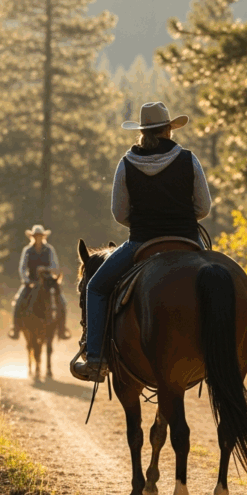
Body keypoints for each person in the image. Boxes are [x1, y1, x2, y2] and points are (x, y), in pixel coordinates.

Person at [72, 101, 212, 381]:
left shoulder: (126, 164)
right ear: (168, 131)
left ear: (142, 132)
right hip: (187, 239)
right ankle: (222, 354)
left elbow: (119, 214)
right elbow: (203, 208)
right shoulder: (189, 159)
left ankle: (97, 358)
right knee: (218, 279)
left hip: (142, 243)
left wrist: (144, 223)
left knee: (97, 287)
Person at [9, 224, 71, 340]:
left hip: (48, 282)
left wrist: (45, 269)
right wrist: (27, 281)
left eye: (40, 236)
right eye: (36, 236)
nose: (38, 238)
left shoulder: (49, 249)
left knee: (62, 302)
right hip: (30, 282)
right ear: (32, 237)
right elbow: (22, 268)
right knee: (18, 302)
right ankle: (16, 329)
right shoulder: (27, 250)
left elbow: (55, 266)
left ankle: (62, 330)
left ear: (43, 237)